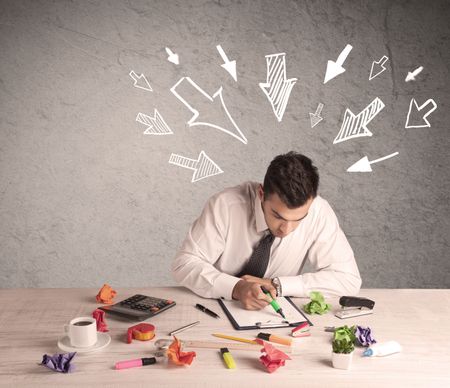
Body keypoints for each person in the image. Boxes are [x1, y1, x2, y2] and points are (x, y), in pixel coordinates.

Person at [172, 151, 361, 310]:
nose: (286, 229)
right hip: (217, 308)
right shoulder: (226, 205)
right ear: (262, 194)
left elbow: (348, 279)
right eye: (278, 216)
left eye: (298, 219)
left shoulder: (319, 211)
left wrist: (277, 285)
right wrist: (236, 288)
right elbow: (184, 264)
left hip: (273, 316)